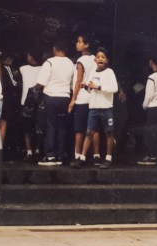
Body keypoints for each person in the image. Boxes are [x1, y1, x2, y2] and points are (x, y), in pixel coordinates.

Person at [74, 47, 119, 169]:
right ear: (95, 60)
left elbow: (114, 89)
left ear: (107, 60)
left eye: (103, 57)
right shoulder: (93, 73)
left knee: (109, 132)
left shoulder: (110, 72)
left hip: (106, 108)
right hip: (93, 107)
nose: (100, 59)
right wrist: (85, 86)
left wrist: (98, 87)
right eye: (98, 57)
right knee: (89, 132)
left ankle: (108, 159)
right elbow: (91, 90)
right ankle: (82, 158)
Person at [35, 40, 75, 166]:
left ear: (54, 49)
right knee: (62, 126)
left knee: (50, 125)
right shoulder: (71, 63)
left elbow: (41, 83)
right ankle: (60, 154)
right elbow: (73, 84)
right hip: (65, 97)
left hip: (51, 96)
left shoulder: (49, 62)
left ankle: (50, 155)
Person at [68, 34, 97, 165]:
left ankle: (77, 155)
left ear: (86, 45)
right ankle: (96, 155)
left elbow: (78, 81)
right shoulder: (95, 59)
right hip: (93, 98)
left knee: (79, 129)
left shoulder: (81, 61)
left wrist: (73, 99)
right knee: (92, 129)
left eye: (79, 42)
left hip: (81, 99)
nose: (77, 44)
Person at [19, 50, 43, 162]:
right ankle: (37, 150)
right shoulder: (43, 68)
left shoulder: (23, 68)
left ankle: (29, 151)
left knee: (26, 128)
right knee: (38, 128)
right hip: (39, 102)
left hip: (26, 102)